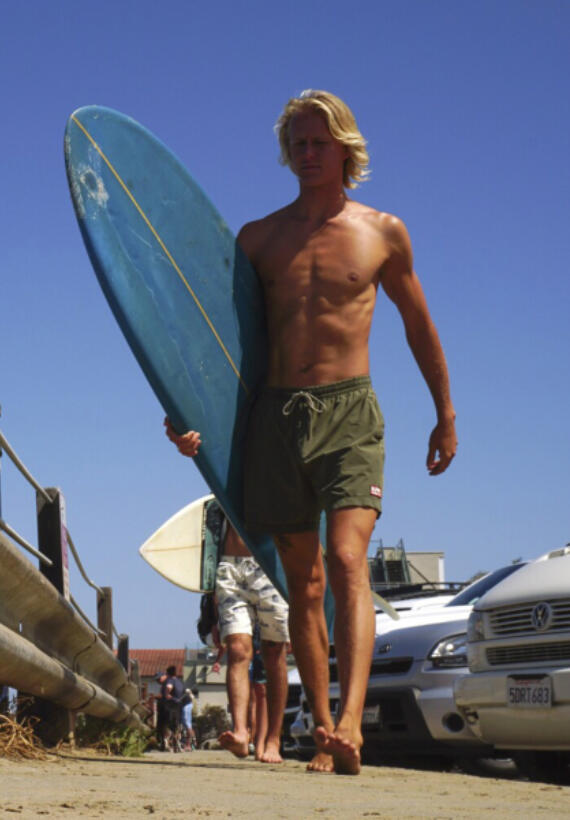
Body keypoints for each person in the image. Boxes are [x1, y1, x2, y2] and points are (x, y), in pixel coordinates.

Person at [165, 90, 456, 775]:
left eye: (318, 141)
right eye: (296, 142)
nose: (306, 153)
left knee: (351, 561)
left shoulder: (383, 232)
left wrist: (445, 412)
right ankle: (324, 731)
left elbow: (419, 326)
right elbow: (218, 345)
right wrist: (184, 418)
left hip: (350, 411)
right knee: (305, 583)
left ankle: (353, 723)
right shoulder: (258, 239)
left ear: (345, 147)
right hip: (274, 415)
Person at [203, 514, 290, 763]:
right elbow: (208, 533)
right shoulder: (225, 475)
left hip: (272, 565)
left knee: (274, 654)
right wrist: (211, 600)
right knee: (238, 650)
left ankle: (273, 739)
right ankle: (241, 732)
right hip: (231, 567)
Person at [160, 664, 186, 752]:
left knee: (168, 723)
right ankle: (176, 744)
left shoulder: (170, 680)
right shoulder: (179, 681)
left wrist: (167, 695)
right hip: (178, 704)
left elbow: (168, 687)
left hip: (170, 705)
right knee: (177, 725)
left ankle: (167, 743)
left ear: (168, 673)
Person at [181, 686, 199, 751]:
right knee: (191, 728)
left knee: (188, 727)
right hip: (194, 714)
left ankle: (189, 743)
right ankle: (194, 741)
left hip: (190, 713)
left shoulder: (190, 697)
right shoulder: (194, 698)